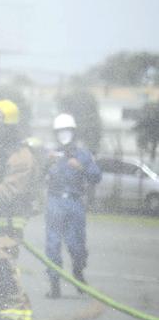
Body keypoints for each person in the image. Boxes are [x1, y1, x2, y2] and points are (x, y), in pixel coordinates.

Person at [0, 99, 37, 320]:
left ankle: (18, 315)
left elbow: (9, 192)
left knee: (3, 265)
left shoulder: (21, 157)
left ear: (10, 128)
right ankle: (2, 308)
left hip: (8, 223)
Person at [44, 113, 102, 298]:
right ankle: (54, 284)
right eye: (60, 131)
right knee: (52, 244)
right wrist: (46, 163)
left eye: (67, 130)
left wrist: (81, 167)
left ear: (73, 132)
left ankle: (78, 273)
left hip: (74, 202)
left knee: (77, 245)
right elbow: (37, 174)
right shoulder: (51, 154)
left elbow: (96, 176)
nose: (63, 134)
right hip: (54, 201)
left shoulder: (83, 155)